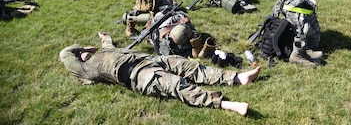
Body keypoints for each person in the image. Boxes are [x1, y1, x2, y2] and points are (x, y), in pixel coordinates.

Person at [59, 31, 261, 116]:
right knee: (176, 85)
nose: (83, 53)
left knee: (188, 66)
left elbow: (107, 44)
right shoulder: (85, 70)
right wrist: (83, 48)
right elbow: (65, 53)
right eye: (80, 53)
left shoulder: (105, 52)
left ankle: (236, 78)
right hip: (136, 75)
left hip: (149, 59)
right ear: (78, 58)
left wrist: (103, 40)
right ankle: (227, 104)